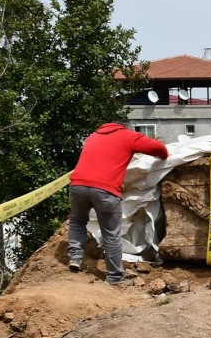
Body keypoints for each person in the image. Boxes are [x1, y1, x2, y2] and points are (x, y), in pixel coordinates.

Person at [68, 122, 169, 285]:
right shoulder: (128, 136)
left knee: (78, 220)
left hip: (77, 186)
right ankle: (114, 277)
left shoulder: (93, 137)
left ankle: (75, 258)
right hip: (105, 192)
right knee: (111, 233)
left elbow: (100, 164)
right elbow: (159, 148)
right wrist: (164, 155)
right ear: (124, 127)